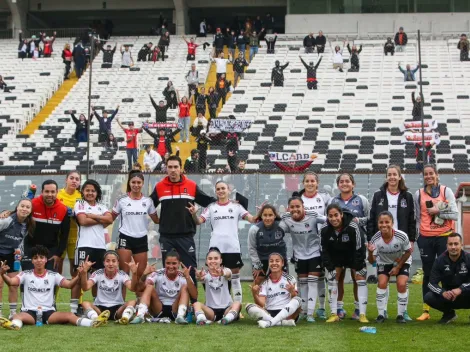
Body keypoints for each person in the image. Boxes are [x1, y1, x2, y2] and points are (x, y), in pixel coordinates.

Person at [0, 245, 109, 330]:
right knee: (17, 317)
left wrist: (80, 275)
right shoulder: (25, 274)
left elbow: (69, 285)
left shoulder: (53, 275)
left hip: (49, 313)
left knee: (70, 315)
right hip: (30, 312)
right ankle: (14, 326)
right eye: (35, 258)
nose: (39, 260)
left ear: (46, 260)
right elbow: (11, 282)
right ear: (32, 261)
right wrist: (3, 274)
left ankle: (93, 323)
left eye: (41, 257)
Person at [150, 156, 215, 289]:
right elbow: (147, 204)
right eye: (170, 167)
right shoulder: (159, 186)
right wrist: (156, 219)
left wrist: (226, 200)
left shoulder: (191, 186)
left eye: (176, 167)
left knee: (190, 271)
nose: (173, 170)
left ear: (181, 169)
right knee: (168, 271)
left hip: (186, 236)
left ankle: (193, 304)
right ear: (166, 169)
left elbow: (208, 201)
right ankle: (169, 303)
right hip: (166, 237)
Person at [188, 181, 255, 304]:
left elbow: (251, 219)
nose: (221, 191)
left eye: (223, 188)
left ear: (228, 190)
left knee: (234, 277)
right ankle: (218, 305)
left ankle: (237, 306)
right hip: (215, 248)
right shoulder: (211, 207)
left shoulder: (237, 206)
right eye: (218, 189)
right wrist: (193, 214)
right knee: (215, 277)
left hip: (232, 247)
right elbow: (198, 221)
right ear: (215, 191)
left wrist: (261, 213)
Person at [414, 164, 458, 321]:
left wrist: (438, 211)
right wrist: (418, 237)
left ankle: (449, 308)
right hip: (425, 238)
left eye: (431, 173)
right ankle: (426, 310)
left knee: (446, 272)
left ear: (437, 175)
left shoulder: (446, 191)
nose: (428, 176)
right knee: (428, 272)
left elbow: (455, 215)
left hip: (444, 236)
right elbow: (417, 218)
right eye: (426, 174)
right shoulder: (418, 194)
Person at [329, 173, 370, 320]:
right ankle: (339, 309)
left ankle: (358, 309)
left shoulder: (361, 200)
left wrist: (359, 221)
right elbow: (328, 221)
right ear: (338, 184)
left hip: (356, 245)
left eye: (347, 181)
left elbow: (370, 219)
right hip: (338, 246)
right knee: (338, 277)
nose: (344, 183)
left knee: (356, 276)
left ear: (353, 184)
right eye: (341, 181)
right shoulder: (333, 200)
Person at [279, 197, 325, 323]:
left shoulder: (313, 215)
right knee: (303, 284)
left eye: (297, 206)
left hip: (315, 253)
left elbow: (330, 221)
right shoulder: (286, 218)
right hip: (299, 255)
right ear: (289, 208)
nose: (295, 209)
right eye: (292, 207)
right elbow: (279, 230)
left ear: (303, 206)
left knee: (312, 282)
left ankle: (311, 313)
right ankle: (304, 311)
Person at [320, 204, 368, 323]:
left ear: (341, 215)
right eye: (330, 216)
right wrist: (329, 267)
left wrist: (358, 266)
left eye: (336, 215)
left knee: (359, 278)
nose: (333, 218)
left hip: (353, 255)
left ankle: (360, 312)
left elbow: (360, 248)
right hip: (336, 256)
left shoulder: (353, 226)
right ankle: (335, 312)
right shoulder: (325, 228)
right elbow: (324, 250)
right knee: (333, 278)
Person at [293, 172, 331, 319]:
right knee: (302, 278)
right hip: (301, 243)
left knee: (320, 276)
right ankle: (304, 309)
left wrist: (318, 219)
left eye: (312, 181)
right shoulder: (298, 198)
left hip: (320, 243)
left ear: (317, 183)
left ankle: (321, 308)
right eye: (307, 181)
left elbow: (330, 218)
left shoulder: (324, 198)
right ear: (303, 183)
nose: (310, 183)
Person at [112, 171, 159, 279]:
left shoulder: (148, 201)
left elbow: (156, 220)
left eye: (139, 182)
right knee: (124, 273)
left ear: (142, 183)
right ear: (129, 183)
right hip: (125, 237)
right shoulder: (121, 200)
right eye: (133, 182)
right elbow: (111, 218)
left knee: (141, 274)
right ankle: (121, 297)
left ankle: (140, 297)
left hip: (141, 238)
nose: (136, 185)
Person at [368, 211, 412, 324]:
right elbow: (372, 261)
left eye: (387, 222)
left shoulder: (401, 236)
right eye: (381, 222)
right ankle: (381, 314)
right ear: (378, 224)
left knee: (401, 284)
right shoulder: (375, 239)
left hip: (402, 260)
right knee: (382, 283)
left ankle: (401, 315)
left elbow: (408, 252)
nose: (384, 225)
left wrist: (398, 266)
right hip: (384, 262)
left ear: (392, 223)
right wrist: (369, 252)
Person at [132, 251, 197, 324]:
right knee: (149, 286)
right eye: (168, 263)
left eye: (174, 263)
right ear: (164, 263)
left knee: (185, 287)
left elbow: (194, 296)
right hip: (158, 308)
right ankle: (140, 316)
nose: (171, 266)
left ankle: (180, 317)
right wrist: (144, 275)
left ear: (179, 263)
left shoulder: (184, 275)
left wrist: (188, 277)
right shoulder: (158, 273)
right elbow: (140, 288)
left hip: (175, 309)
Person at [20, 180, 70, 272]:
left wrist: (58, 254)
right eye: (47, 191)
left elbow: (64, 235)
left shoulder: (63, 210)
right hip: (30, 248)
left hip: (51, 251)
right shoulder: (32, 204)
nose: (50, 194)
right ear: (42, 192)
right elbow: (18, 213)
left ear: (57, 192)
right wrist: (5, 212)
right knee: (28, 280)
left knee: (51, 282)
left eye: (52, 192)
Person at [80, 251, 138, 324]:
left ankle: (124, 318)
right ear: (104, 263)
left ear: (118, 263)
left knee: (132, 302)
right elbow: (85, 288)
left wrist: (134, 273)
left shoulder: (122, 274)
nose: (110, 264)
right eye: (107, 261)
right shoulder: (98, 273)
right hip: (100, 308)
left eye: (114, 261)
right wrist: (84, 272)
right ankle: (96, 319)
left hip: (117, 308)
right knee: (85, 303)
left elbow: (132, 288)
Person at [424, 233, 470, 324]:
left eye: (456, 244)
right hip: (449, 297)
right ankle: (449, 314)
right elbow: (431, 283)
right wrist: (443, 293)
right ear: (447, 246)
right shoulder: (439, 260)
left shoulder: (468, 258)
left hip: (467, 295)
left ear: (461, 245)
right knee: (428, 297)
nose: (453, 247)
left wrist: (461, 289)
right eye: (450, 244)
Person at [0, 198, 34, 319]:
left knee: (14, 284)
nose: (24, 209)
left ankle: (13, 313)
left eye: (27, 207)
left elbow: (20, 242)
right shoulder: (7, 220)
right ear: (17, 207)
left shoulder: (28, 224)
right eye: (22, 206)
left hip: (11, 255)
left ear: (30, 211)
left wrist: (19, 252)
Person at [246, 253, 301, 328]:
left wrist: (292, 292)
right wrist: (254, 294)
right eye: (271, 261)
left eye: (277, 261)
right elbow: (261, 304)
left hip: (287, 313)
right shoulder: (265, 282)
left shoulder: (290, 279)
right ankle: (279, 322)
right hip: (270, 313)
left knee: (298, 300)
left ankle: (270, 322)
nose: (274, 263)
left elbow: (294, 300)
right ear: (269, 264)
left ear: (282, 263)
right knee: (249, 306)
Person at [194, 248, 241, 325]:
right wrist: (199, 276)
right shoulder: (205, 274)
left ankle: (226, 319)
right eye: (210, 259)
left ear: (221, 260)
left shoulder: (226, 270)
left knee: (237, 304)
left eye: (216, 258)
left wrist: (222, 273)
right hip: (211, 311)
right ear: (206, 261)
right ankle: (201, 320)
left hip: (226, 309)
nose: (213, 261)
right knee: (196, 304)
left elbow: (228, 274)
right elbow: (200, 277)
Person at [57, 171, 82, 314]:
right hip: (59, 238)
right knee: (56, 270)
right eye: (71, 178)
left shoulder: (81, 197)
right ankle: (51, 301)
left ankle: (76, 304)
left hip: (76, 237)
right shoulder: (58, 194)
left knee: (76, 271)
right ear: (66, 180)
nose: (74, 181)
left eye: (77, 179)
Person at [248, 204, 287, 285]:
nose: (268, 218)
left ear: (275, 216)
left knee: (282, 284)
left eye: (270, 215)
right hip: (262, 260)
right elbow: (252, 248)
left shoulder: (282, 225)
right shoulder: (254, 229)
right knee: (258, 283)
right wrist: (257, 265)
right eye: (265, 215)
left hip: (279, 259)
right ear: (261, 216)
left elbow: (295, 228)